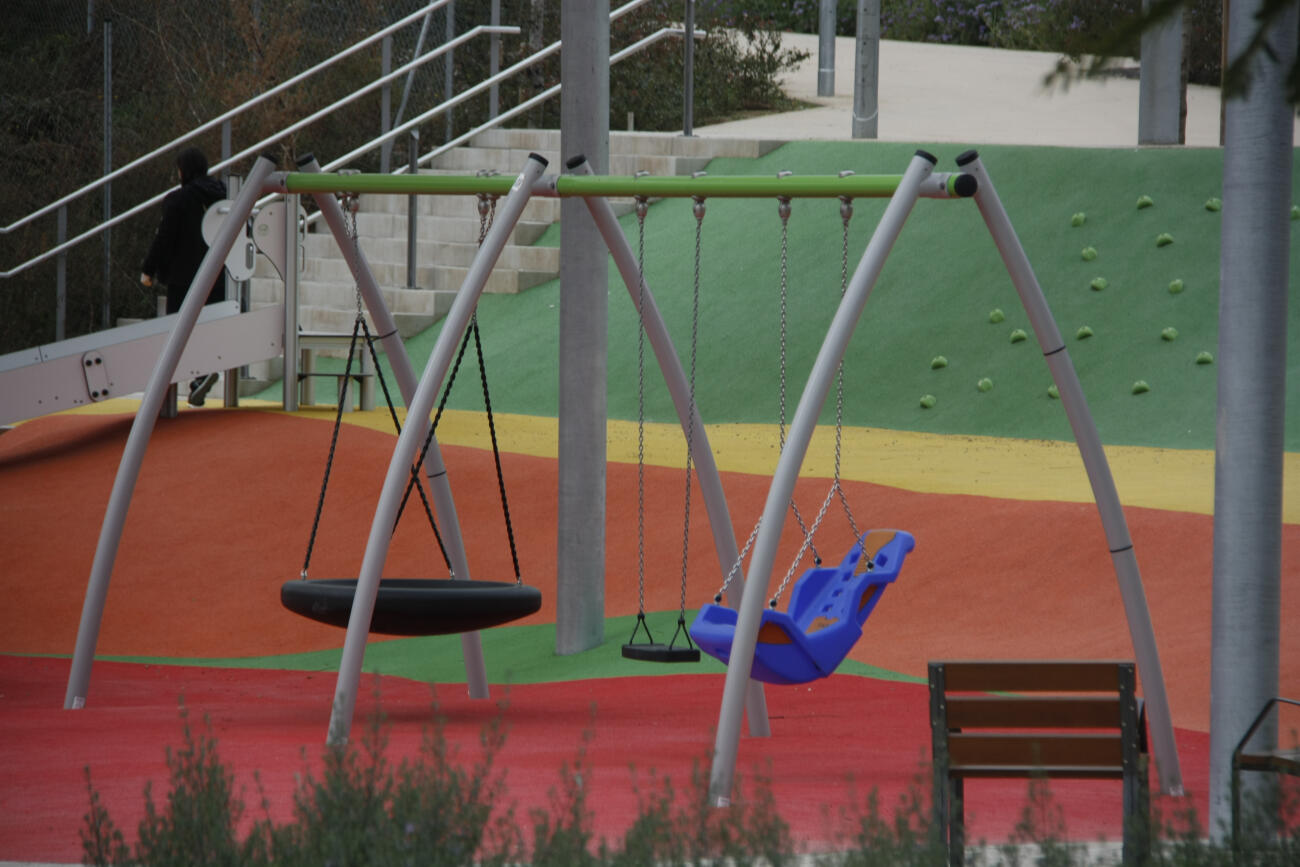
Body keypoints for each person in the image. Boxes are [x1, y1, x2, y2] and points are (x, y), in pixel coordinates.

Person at [140, 146, 227, 406]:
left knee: (179, 332)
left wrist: (149, 269)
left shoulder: (178, 200)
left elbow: (164, 237)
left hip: (183, 277)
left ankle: (173, 389)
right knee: (210, 327)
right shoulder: (224, 194)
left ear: (183, 170)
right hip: (217, 274)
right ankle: (201, 375)